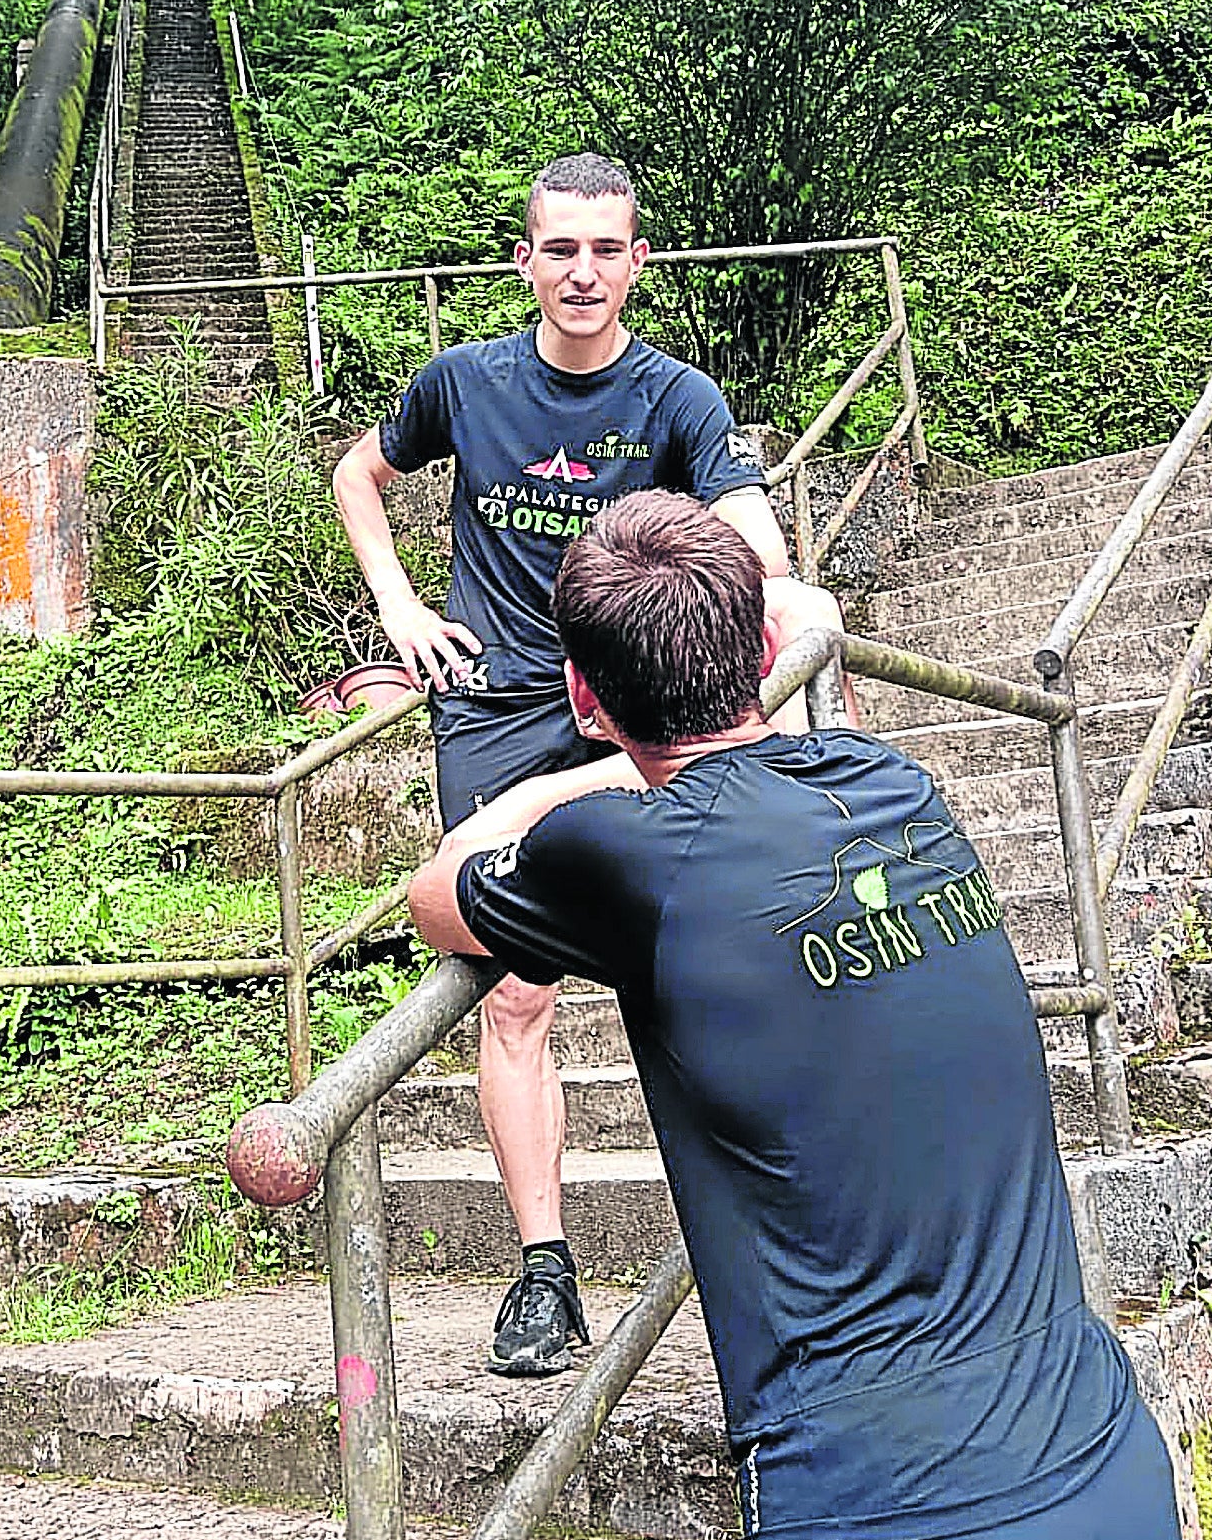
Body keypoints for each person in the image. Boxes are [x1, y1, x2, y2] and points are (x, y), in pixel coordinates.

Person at [407, 491, 1185, 1540]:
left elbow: (440, 894)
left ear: (584, 695)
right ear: (766, 651)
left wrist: (599, 772)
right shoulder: (898, 790)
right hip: (1107, 1474)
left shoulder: (633, 856)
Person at [332, 150, 850, 1376]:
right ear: (525, 261)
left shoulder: (677, 399)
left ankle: (792, 1230)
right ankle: (544, 1274)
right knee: (512, 991)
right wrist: (399, 604)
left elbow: (745, 528)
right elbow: (361, 472)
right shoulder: (461, 382)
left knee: (734, 941)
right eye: (558, 248)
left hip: (639, 705)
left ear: (636, 262)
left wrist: (780, 595)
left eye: (604, 249)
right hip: (499, 703)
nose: (581, 271)